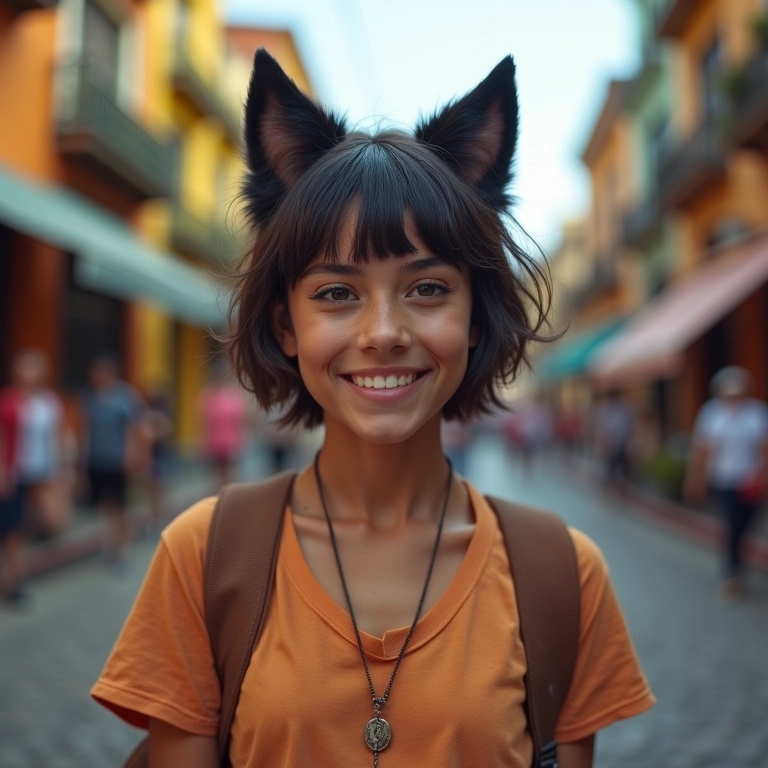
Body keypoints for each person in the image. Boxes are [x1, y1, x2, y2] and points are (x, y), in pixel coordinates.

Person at [92, 51, 654, 766]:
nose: (383, 332)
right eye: (336, 292)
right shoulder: (202, 558)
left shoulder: (562, 577)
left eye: (426, 289)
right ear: (284, 325)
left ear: (475, 318)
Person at [684, 366, 768, 598]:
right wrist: (695, 480)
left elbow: (764, 448)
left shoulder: (757, 413)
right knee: (732, 526)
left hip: (750, 481)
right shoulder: (712, 414)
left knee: (745, 525)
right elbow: (702, 450)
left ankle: (737, 565)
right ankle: (732, 573)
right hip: (723, 480)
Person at [0, 350, 68, 605]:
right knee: (13, 529)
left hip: (43, 472)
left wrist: (63, 468)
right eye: (25, 367)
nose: (31, 373)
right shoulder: (8, 400)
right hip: (16, 471)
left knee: (49, 522)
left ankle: (18, 572)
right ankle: (13, 581)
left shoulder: (48, 401)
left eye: (35, 367)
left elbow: (58, 436)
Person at [79, 353, 144, 564]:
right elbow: (85, 429)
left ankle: (124, 546)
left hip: (117, 458)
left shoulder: (124, 396)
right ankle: (109, 542)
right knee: (104, 504)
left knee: (120, 504)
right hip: (96, 459)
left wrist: (131, 455)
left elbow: (133, 429)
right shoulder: (88, 397)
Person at [197, 364, 249, 490]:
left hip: (229, 441)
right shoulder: (209, 396)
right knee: (219, 473)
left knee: (228, 472)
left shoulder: (231, 396)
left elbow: (241, 420)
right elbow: (203, 422)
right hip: (216, 441)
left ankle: (227, 495)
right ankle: (222, 496)